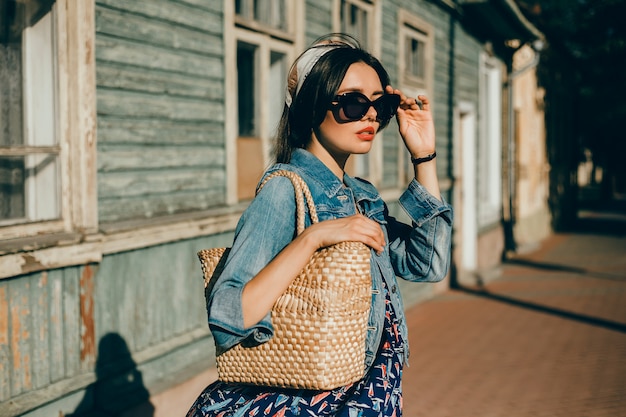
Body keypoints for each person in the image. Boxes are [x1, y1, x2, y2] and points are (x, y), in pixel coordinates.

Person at [187, 33, 453, 417]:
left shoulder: (362, 196)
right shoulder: (283, 190)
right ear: (312, 106)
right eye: (353, 102)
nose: (371, 115)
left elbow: (427, 264)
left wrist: (424, 155)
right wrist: (314, 237)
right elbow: (230, 316)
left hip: (371, 396)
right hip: (313, 404)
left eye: (382, 104)